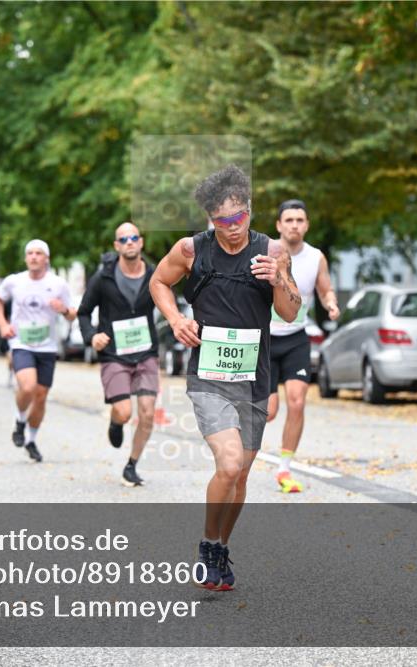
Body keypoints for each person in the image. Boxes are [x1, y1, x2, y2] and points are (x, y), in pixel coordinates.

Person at [150, 165, 300, 591]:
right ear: (209, 219)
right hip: (209, 377)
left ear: (249, 210)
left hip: (254, 377)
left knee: (241, 475)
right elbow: (159, 282)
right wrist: (177, 319)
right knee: (229, 463)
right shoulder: (191, 250)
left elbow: (290, 312)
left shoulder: (272, 250)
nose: (233, 227)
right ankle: (206, 543)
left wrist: (279, 279)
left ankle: (221, 547)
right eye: (222, 220)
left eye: (239, 217)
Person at [265, 200, 341, 493]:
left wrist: (331, 304)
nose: (294, 225)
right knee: (269, 411)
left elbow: (325, 289)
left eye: (299, 220)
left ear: (306, 225)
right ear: (279, 225)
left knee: (297, 402)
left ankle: (284, 468)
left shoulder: (316, 257)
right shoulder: (266, 252)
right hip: (265, 339)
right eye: (289, 220)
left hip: (296, 337)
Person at [78, 222, 159, 487]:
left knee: (147, 413)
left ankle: (132, 465)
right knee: (124, 412)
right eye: (123, 239)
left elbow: (168, 302)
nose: (129, 242)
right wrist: (92, 336)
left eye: (134, 237)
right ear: (116, 245)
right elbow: (83, 312)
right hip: (114, 354)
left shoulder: (155, 275)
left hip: (146, 352)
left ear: (141, 242)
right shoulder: (103, 277)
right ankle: (116, 422)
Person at [0, 239, 75, 463]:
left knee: (40, 397)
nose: (34, 257)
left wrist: (63, 309)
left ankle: (31, 439)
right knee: (27, 387)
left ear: (46, 258)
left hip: (47, 346)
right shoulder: (15, 281)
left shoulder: (58, 284)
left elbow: (72, 314)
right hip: (21, 344)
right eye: (30, 253)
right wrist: (2, 324)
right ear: (25, 258)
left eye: (39, 253)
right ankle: (20, 420)